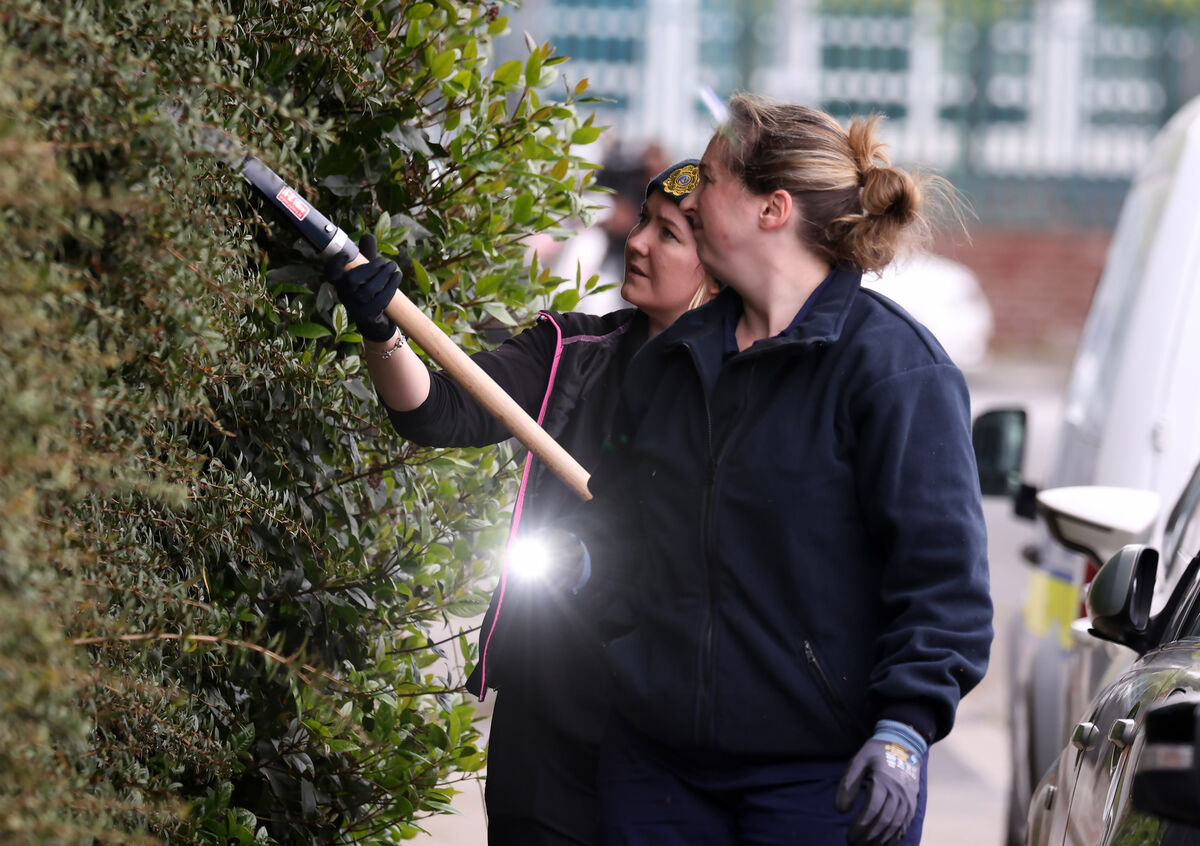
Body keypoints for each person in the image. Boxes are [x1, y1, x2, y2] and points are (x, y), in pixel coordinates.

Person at [575, 96, 993, 846]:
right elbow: (619, 528)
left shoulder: (895, 371)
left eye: (708, 178)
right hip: (656, 774)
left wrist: (904, 729)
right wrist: (618, 643)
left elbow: (944, 586)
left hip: (826, 782)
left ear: (772, 208)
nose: (691, 195)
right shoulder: (672, 357)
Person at [326, 160, 718, 846]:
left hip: (672, 722)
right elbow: (439, 413)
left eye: (670, 234)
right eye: (644, 222)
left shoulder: (747, 391)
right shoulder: (572, 350)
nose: (639, 241)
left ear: (716, 267)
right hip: (549, 707)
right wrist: (381, 332)